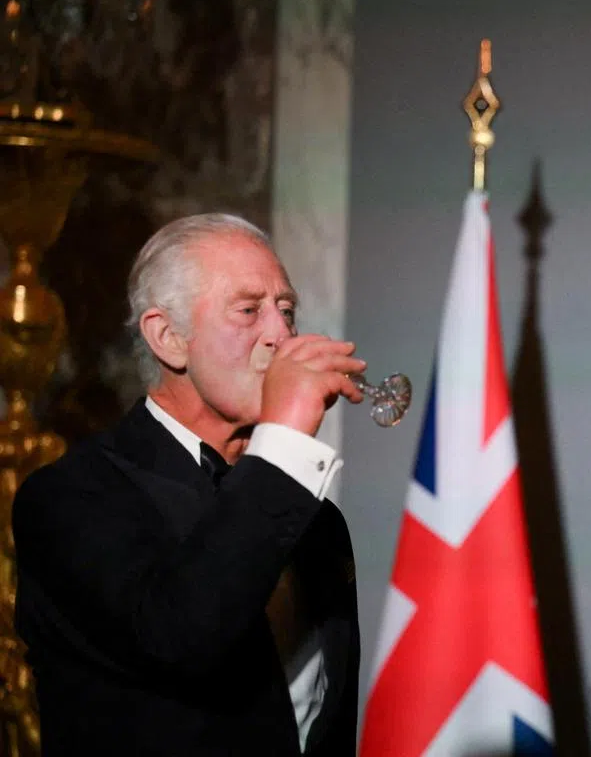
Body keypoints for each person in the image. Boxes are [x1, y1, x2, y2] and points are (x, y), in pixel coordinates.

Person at [13, 214, 366, 756]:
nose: (280, 335)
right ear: (169, 338)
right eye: (249, 311)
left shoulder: (317, 522)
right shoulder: (70, 498)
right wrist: (286, 438)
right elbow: (180, 636)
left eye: (286, 310)